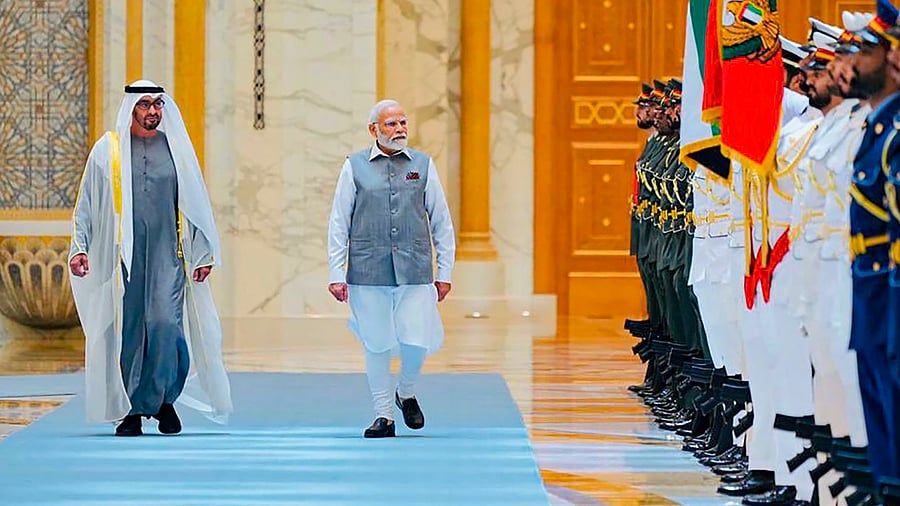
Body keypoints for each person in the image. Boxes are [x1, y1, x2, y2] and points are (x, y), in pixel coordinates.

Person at [69, 80, 232, 437]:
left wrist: (203, 252)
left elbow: (195, 206)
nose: (152, 111)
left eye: (157, 104)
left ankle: (163, 401)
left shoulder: (175, 148)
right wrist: (79, 247)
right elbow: (87, 205)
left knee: (164, 324)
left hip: (166, 254)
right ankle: (131, 407)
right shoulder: (107, 151)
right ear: (131, 109)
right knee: (128, 329)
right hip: (121, 257)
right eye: (144, 105)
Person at [327, 99, 456, 438]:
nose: (399, 130)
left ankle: (406, 391)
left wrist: (445, 272)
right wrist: (335, 273)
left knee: (417, 340)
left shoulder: (423, 165)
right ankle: (383, 414)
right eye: (391, 125)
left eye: (402, 123)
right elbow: (339, 222)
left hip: (415, 268)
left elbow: (441, 220)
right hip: (367, 270)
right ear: (374, 130)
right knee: (377, 343)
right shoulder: (354, 166)